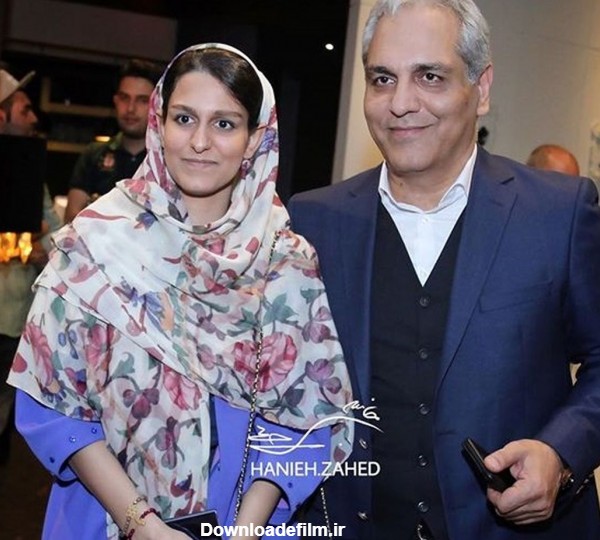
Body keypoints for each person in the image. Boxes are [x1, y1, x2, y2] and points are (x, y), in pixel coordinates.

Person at [8, 44, 353, 540]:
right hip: (105, 519)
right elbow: (53, 404)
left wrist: (244, 530)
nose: (199, 142)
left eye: (225, 124)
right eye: (185, 118)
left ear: (255, 139)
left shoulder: (285, 262)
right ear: (159, 122)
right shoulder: (95, 244)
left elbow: (304, 417)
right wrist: (142, 525)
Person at [288, 1, 600, 539]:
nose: (401, 103)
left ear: (481, 88)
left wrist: (561, 452)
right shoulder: (312, 221)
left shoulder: (558, 213)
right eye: (383, 79)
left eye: (429, 76)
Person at [0, 68, 61, 465]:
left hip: (12, 322)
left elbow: (56, 239)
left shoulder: (28, 175)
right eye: (24, 110)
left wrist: (40, 248)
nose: (33, 118)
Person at [63, 58, 163, 223]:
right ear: (115, 101)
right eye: (124, 98)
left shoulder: (165, 161)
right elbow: (72, 218)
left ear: (157, 106)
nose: (130, 108)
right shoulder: (94, 154)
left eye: (142, 100)